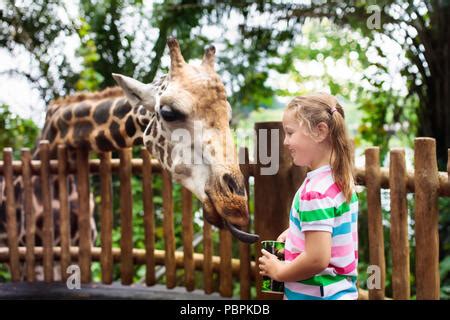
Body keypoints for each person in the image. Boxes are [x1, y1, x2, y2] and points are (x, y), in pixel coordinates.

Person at [258, 93, 359, 300]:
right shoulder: (337, 179)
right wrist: (297, 231)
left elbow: (316, 259)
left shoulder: (316, 192)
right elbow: (333, 228)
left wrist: (279, 271)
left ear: (320, 131)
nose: (285, 142)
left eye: (290, 133)